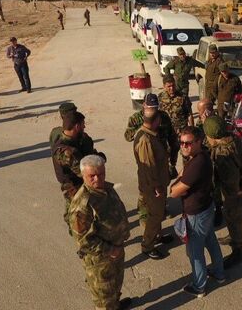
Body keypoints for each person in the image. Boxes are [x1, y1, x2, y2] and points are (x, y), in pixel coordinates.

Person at [69, 155, 132, 310]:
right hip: (100, 259)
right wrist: (111, 250)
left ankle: (115, 304)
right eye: (92, 176)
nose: (98, 179)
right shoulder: (82, 205)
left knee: (115, 285)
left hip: (116, 250)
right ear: (83, 176)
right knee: (103, 297)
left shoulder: (107, 189)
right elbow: (83, 240)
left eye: (101, 174)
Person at [170, 126, 225, 298]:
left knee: (195, 252)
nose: (184, 146)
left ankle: (199, 286)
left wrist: (178, 181)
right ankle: (218, 272)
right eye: (181, 143)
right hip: (206, 208)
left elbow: (174, 192)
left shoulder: (196, 164)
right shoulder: (201, 157)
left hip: (196, 214)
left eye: (188, 143)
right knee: (211, 241)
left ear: (199, 142)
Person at [133, 94, 174, 260]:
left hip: (159, 183)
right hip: (152, 186)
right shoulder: (145, 140)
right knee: (154, 216)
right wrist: (156, 187)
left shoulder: (151, 134)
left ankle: (157, 236)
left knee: (158, 213)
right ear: (156, 121)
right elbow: (148, 168)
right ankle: (147, 245)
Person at [204, 116, 242, 268]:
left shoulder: (221, 153)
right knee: (232, 218)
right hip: (238, 184)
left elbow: (221, 178)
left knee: (233, 216)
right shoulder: (234, 139)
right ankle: (233, 236)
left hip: (231, 192)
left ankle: (237, 250)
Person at [52, 111, 95, 233]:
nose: (84, 127)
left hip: (75, 183)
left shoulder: (73, 140)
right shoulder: (65, 151)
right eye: (83, 124)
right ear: (76, 126)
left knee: (73, 211)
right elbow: (83, 171)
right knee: (80, 218)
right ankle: (82, 243)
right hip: (73, 186)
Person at [124, 93, 179, 175]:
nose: (153, 110)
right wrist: (143, 127)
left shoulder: (163, 116)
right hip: (145, 156)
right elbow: (127, 137)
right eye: (150, 108)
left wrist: (172, 163)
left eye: (155, 107)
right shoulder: (135, 118)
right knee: (148, 182)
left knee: (162, 182)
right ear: (144, 105)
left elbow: (173, 140)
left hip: (162, 156)